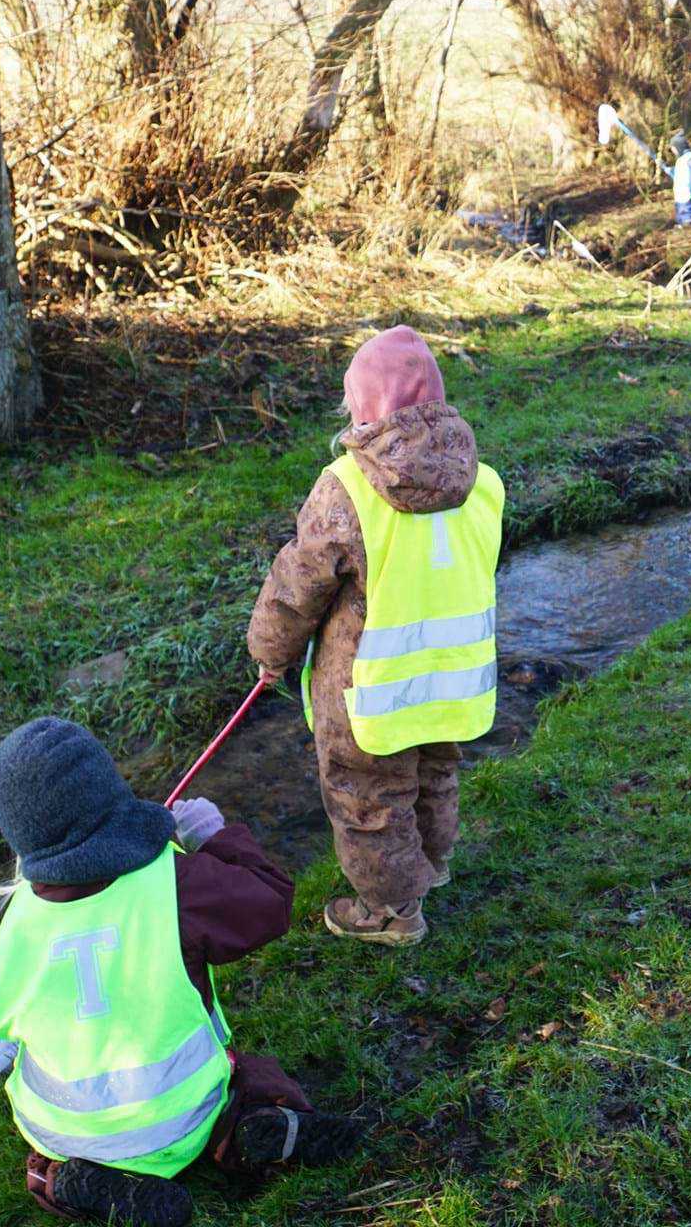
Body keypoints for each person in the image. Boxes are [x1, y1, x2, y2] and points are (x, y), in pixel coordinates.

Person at [0, 716, 361, 1227]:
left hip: (56, 1127)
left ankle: (58, 1179)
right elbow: (270, 901)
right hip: (179, 1121)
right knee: (252, 1080)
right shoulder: (175, 883)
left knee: (49, 1153)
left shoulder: (17, 920)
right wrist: (213, 835)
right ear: (107, 792)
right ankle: (247, 1132)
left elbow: (7, 1026)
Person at [248, 326, 503, 947]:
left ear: (362, 404)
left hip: (371, 685)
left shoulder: (347, 486)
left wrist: (269, 651)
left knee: (368, 799)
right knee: (435, 774)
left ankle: (392, 911)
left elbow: (299, 582)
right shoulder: (485, 482)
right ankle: (429, 869)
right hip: (454, 680)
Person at [671, 132, 691, 227]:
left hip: (686, 193)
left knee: (687, 213)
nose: (673, 151)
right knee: (680, 212)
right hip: (680, 194)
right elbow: (678, 173)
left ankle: (689, 225)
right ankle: (681, 224)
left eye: (674, 149)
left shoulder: (689, 159)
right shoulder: (682, 159)